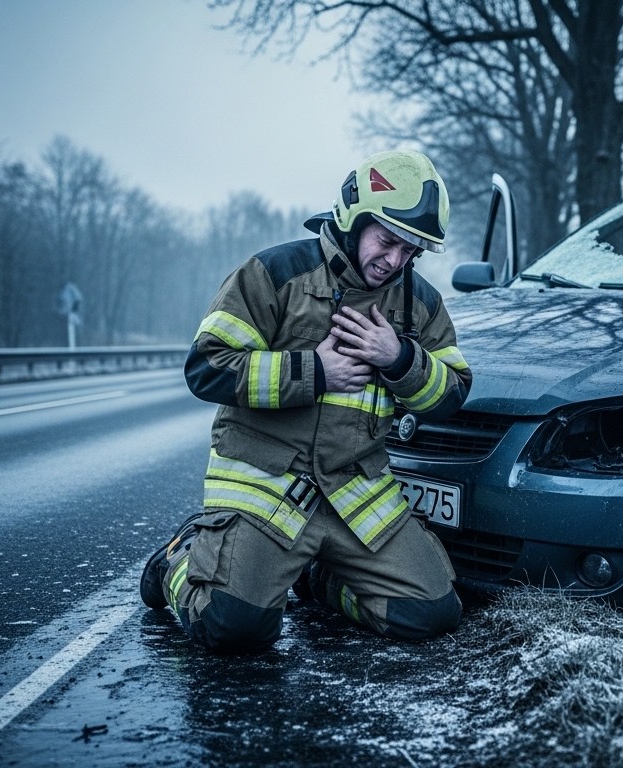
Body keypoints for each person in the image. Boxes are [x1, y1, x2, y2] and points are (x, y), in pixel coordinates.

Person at [139, 149, 471, 653]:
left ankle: (317, 578)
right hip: (267, 485)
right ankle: (178, 562)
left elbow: (453, 393)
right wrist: (314, 372)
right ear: (354, 220)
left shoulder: (420, 303)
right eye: (387, 242)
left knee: (431, 612)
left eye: (410, 251)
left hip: (356, 495)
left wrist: (399, 357)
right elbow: (206, 367)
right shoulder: (274, 273)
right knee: (234, 628)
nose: (395, 261)